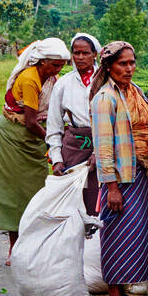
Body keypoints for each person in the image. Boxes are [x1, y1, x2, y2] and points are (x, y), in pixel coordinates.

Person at [0, 38, 70, 260]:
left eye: (61, 65)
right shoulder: (30, 79)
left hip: (34, 138)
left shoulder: (49, 77)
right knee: (14, 193)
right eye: (55, 65)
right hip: (15, 136)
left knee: (36, 191)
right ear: (42, 62)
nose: (59, 70)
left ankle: (32, 247)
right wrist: (53, 141)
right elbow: (30, 121)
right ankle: (15, 248)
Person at [90, 41, 148, 296]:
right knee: (117, 235)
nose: (129, 68)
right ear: (108, 66)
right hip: (120, 179)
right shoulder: (105, 98)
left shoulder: (133, 92)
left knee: (136, 235)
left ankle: (124, 294)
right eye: (123, 63)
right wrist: (112, 188)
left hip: (138, 171)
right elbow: (104, 147)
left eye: (132, 62)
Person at [47, 32, 101, 215]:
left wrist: (98, 152)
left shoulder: (104, 82)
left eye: (85, 53)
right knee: (72, 206)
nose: (80, 57)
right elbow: (53, 126)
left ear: (95, 54)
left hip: (101, 144)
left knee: (97, 200)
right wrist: (57, 159)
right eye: (76, 53)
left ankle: (95, 241)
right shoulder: (63, 84)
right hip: (73, 149)